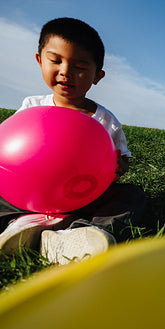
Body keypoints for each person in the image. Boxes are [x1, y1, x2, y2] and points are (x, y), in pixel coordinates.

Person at [0, 17, 145, 264]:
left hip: (83, 198)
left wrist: (118, 167)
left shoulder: (105, 121)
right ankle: (20, 225)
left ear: (97, 76)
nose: (66, 72)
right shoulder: (31, 108)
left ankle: (79, 234)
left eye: (79, 66)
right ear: (39, 60)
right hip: (29, 198)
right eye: (55, 60)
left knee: (130, 196)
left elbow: (122, 160)